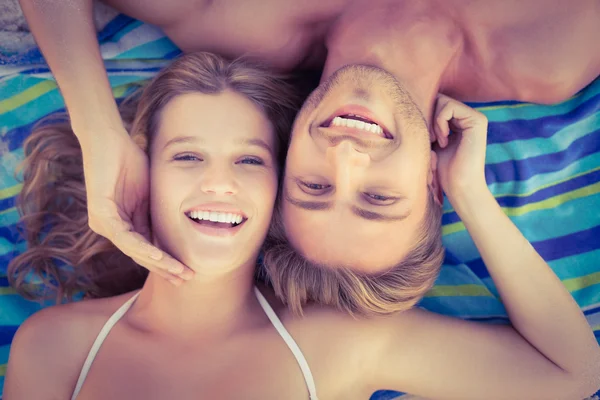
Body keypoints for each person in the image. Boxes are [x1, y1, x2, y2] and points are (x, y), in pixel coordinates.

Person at [4, 51, 600, 400]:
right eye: (186, 156)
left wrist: (469, 193)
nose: (220, 183)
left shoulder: (338, 344)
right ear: (142, 175)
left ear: (282, 194)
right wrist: (98, 129)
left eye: (250, 160)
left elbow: (571, 373)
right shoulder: (56, 348)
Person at [17, 0, 600, 282]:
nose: (346, 158)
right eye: (378, 198)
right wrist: (472, 193)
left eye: (313, 185)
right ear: (432, 179)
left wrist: (96, 129)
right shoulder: (546, 57)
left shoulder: (240, 17)